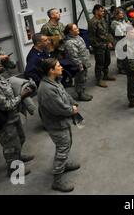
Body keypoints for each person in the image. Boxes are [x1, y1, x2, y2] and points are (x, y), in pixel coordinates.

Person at [37, 58, 81, 193]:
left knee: (67, 145)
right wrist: (71, 110)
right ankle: (57, 180)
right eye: (58, 66)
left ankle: (64, 165)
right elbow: (58, 108)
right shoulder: (47, 89)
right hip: (56, 124)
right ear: (51, 70)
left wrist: (73, 102)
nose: (61, 67)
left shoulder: (54, 82)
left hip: (62, 122)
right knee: (62, 149)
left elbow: (65, 95)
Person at [88, 4, 116, 88]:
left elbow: (106, 32)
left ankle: (105, 75)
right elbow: (92, 37)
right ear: (96, 11)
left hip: (106, 44)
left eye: (103, 11)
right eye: (101, 11)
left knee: (107, 61)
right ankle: (99, 79)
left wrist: (109, 42)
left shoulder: (102, 19)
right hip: (99, 46)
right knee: (100, 63)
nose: (103, 12)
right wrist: (97, 46)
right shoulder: (92, 22)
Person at [63, 23, 93, 102]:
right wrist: (79, 65)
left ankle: (83, 91)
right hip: (79, 64)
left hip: (84, 62)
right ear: (70, 31)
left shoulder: (77, 37)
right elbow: (73, 56)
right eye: (75, 29)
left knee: (84, 78)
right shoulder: (70, 43)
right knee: (80, 79)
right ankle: (80, 94)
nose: (78, 29)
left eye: (77, 28)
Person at [111, 8, 130, 74]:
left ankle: (125, 67)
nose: (122, 15)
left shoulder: (123, 21)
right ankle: (121, 68)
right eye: (121, 13)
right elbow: (119, 33)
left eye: (122, 13)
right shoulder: (114, 23)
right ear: (116, 15)